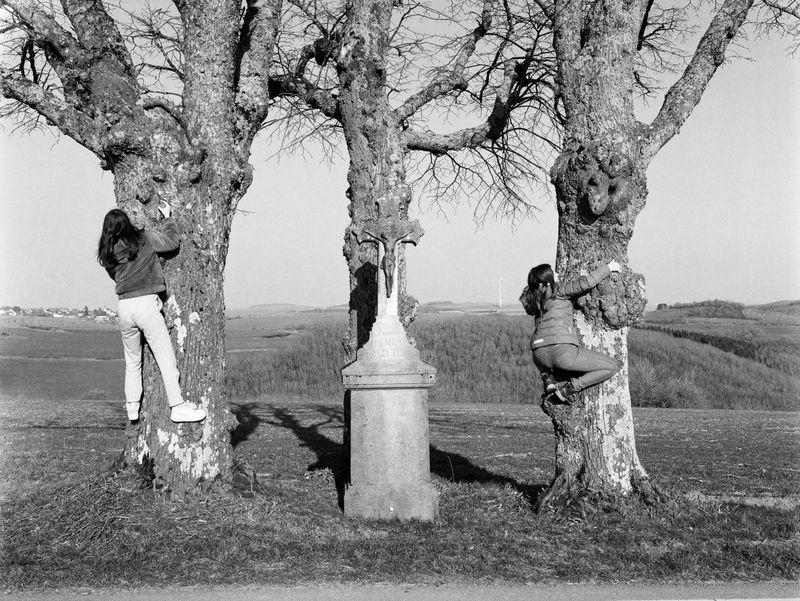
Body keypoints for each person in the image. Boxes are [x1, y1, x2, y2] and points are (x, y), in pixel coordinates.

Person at [97, 203, 206, 423]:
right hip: (146, 304)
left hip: (124, 308)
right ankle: (177, 407)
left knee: (132, 362)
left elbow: (117, 276)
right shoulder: (142, 240)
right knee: (166, 359)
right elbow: (171, 242)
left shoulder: (107, 253)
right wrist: (167, 219)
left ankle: (132, 408)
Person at [519, 260, 622, 403]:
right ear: (547, 282)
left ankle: (548, 378)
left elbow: (531, 291)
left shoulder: (533, 301)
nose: (557, 273)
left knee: (541, 349)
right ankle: (569, 390)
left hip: (539, 354)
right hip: (562, 350)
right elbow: (585, 283)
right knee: (612, 366)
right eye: (552, 273)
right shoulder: (558, 291)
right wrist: (608, 268)